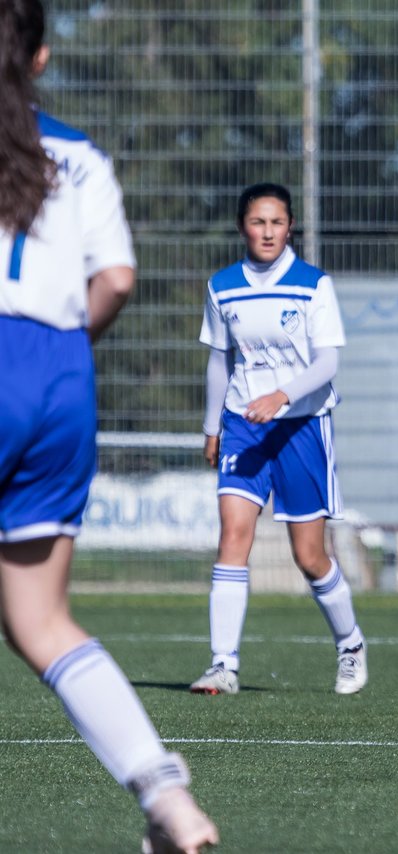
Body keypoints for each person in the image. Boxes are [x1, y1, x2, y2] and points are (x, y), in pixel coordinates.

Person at [0, 2, 219, 851]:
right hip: (59, 375)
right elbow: (118, 278)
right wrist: (54, 351)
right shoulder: (82, 156)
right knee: (40, 620)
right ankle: (166, 796)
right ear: (43, 59)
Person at [190, 182, 368, 697]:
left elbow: (329, 362)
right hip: (244, 425)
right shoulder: (222, 286)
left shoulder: (313, 285)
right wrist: (211, 426)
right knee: (232, 537)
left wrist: (283, 397)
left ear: (290, 227)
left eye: (276, 222)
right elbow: (220, 360)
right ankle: (223, 664)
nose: (267, 231)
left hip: (302, 426)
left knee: (309, 556)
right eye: (257, 222)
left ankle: (350, 644)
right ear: (243, 226)